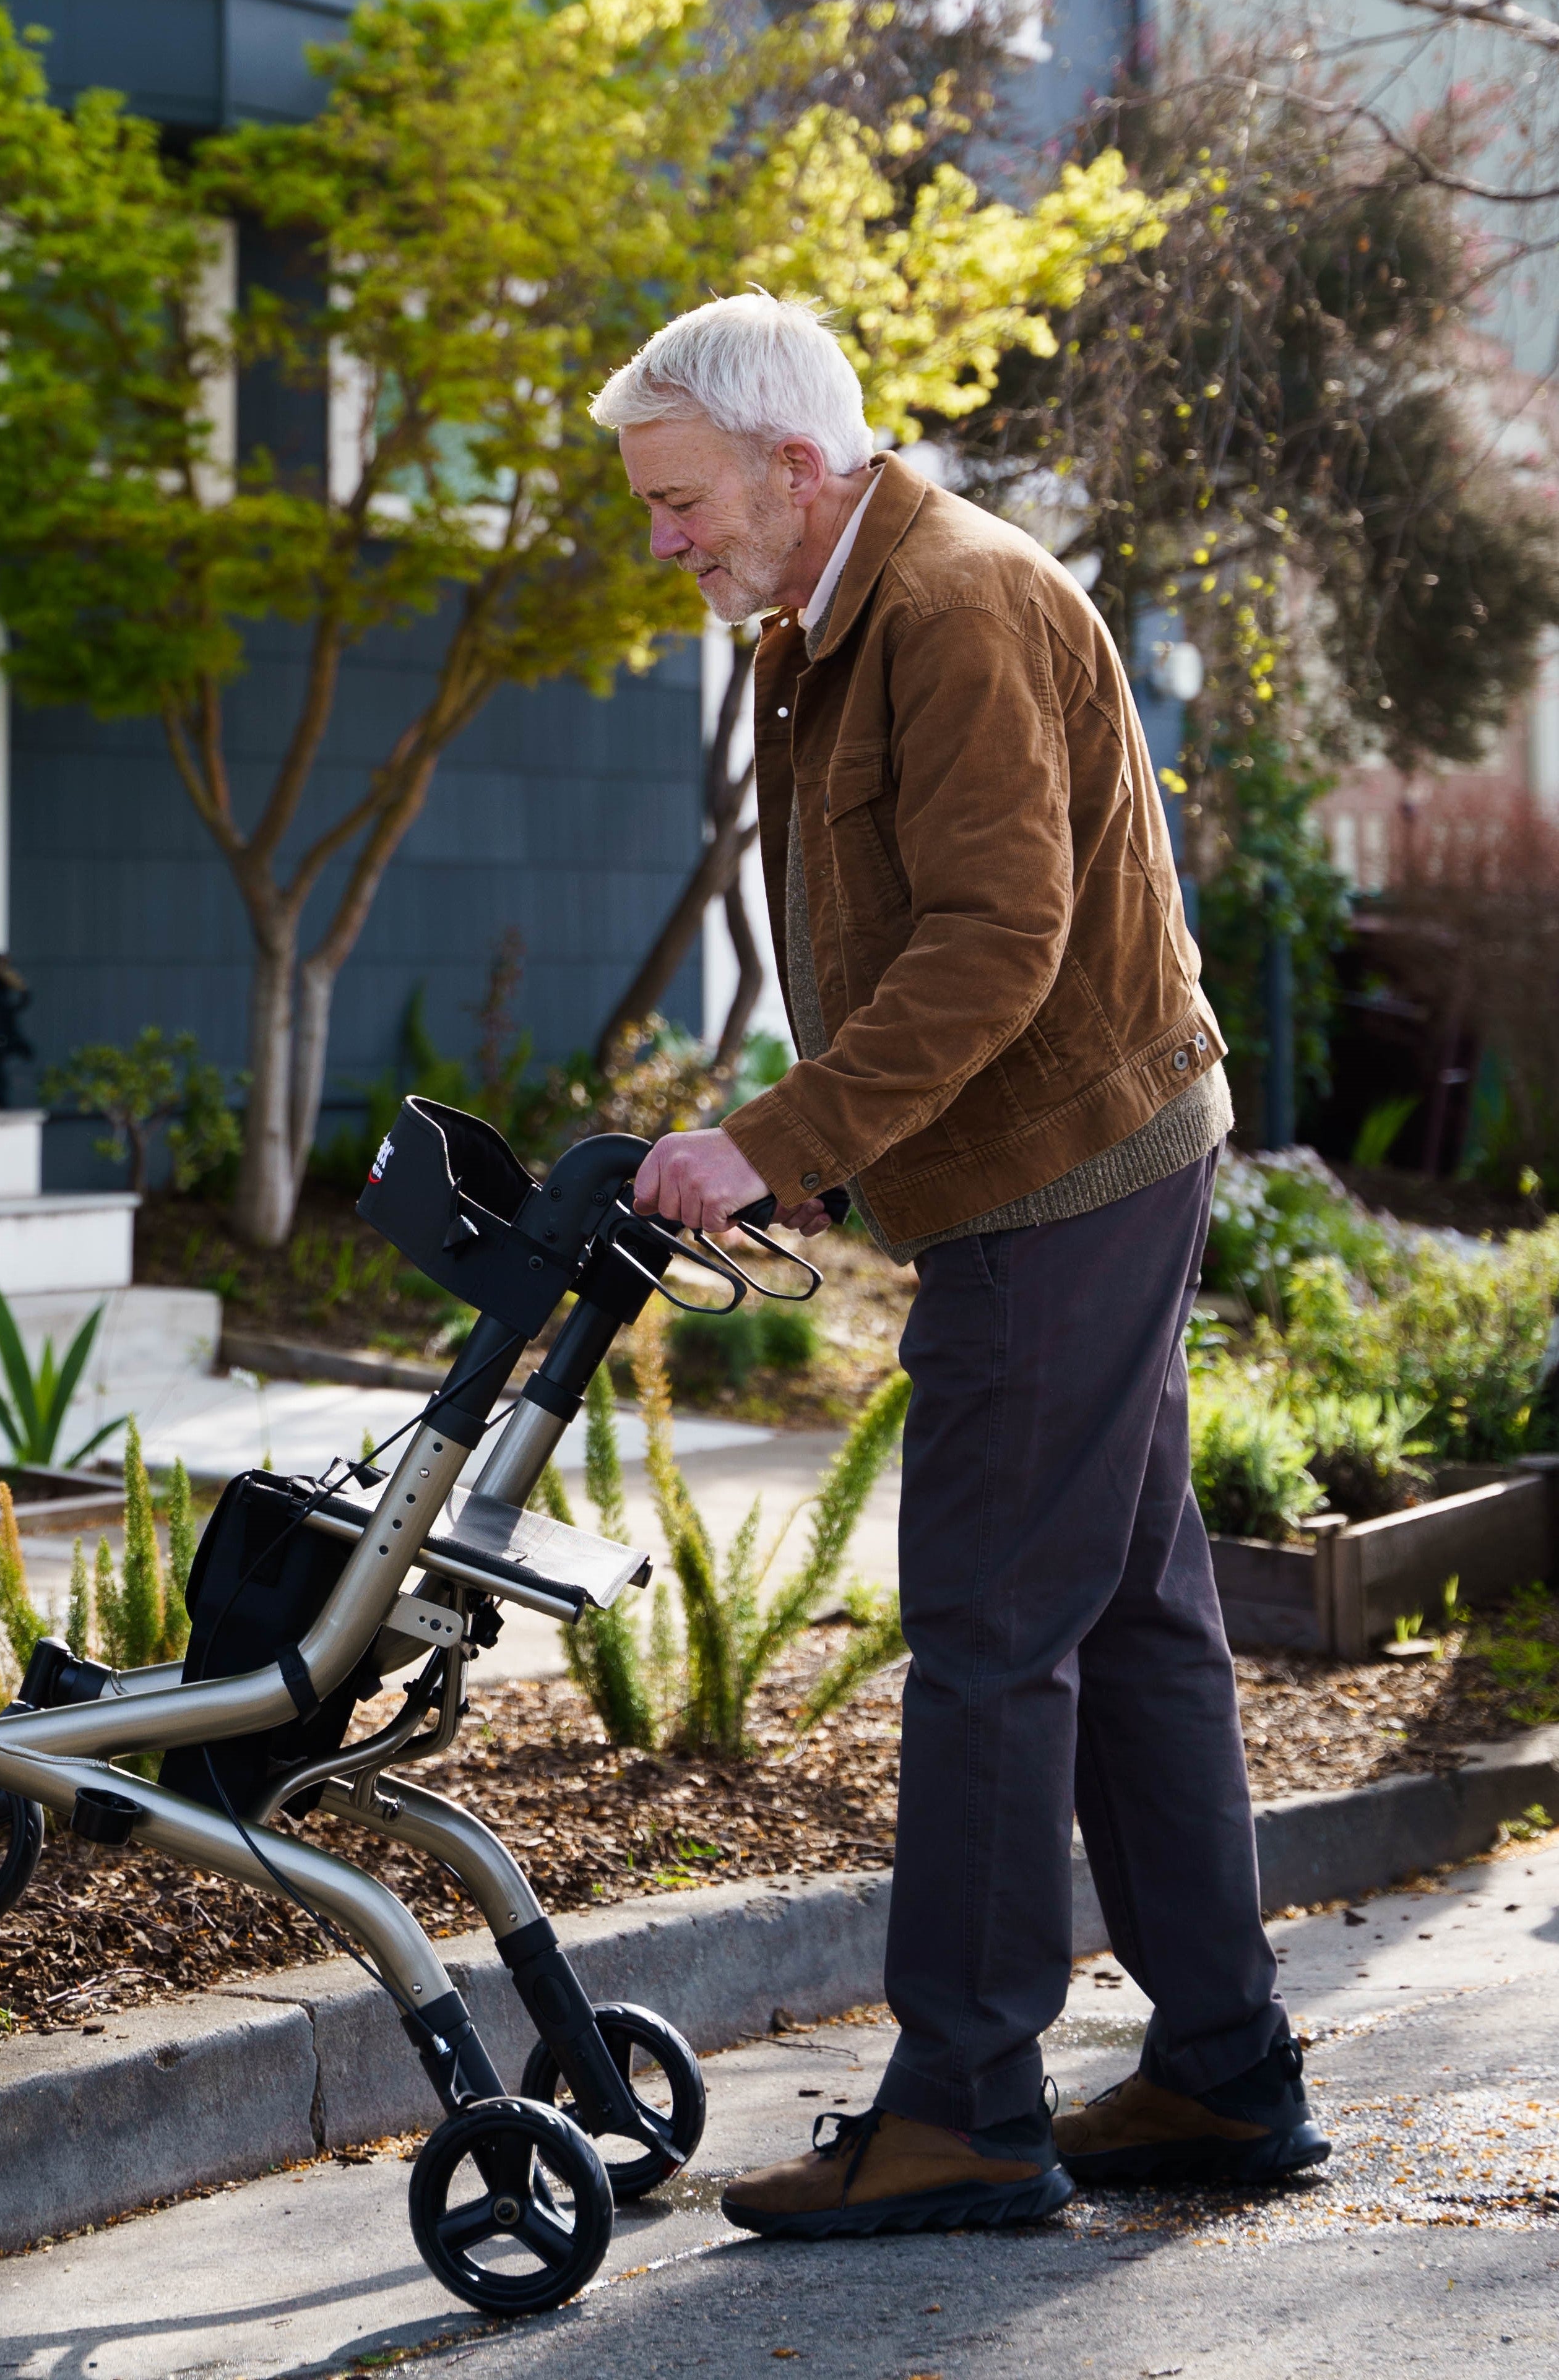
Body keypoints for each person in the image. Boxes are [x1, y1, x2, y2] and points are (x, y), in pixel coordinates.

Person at [594, 293, 1329, 2239]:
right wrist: (820, 1165)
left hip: (1061, 1176)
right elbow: (913, 934)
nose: (661, 540)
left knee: (994, 1639)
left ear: (793, 463)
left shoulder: (950, 607)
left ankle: (963, 2110)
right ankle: (1221, 2070)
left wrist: (776, 1141)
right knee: (1136, 1620)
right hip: (1060, 1159)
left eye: (677, 502)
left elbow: (997, 942)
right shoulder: (836, 617)